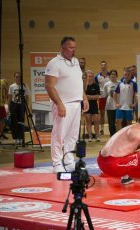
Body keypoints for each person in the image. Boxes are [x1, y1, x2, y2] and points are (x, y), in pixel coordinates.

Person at [45, 36, 89, 173]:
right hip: (63, 104)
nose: (73, 50)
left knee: (72, 135)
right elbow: (49, 86)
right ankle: (57, 163)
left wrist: (85, 98)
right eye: (71, 48)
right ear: (63, 48)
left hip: (77, 103)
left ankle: (69, 160)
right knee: (59, 134)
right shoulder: (54, 63)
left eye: (75, 47)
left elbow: (78, 82)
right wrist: (59, 104)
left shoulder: (75, 62)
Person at [8, 72, 30, 145]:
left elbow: (27, 97)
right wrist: (8, 108)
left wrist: (27, 107)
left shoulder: (25, 86)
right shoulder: (12, 86)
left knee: (21, 121)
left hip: (21, 105)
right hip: (14, 105)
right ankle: (16, 138)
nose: (18, 78)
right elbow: (10, 97)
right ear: (14, 77)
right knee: (14, 122)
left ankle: (21, 138)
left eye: (19, 77)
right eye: (16, 77)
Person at [84, 70, 101, 142]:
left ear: (93, 77)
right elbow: (83, 96)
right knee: (88, 121)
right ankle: (90, 136)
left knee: (96, 121)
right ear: (86, 77)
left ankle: (97, 135)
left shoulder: (96, 86)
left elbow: (97, 97)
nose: (89, 78)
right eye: (88, 76)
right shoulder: (84, 86)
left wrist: (87, 96)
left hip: (94, 105)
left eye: (91, 76)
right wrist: (88, 97)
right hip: (86, 106)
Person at [94, 60, 110, 135]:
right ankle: (102, 129)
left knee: (111, 113)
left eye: (104, 65)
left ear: (107, 66)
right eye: (102, 65)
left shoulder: (111, 75)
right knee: (102, 113)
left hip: (109, 97)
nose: (103, 66)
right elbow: (96, 86)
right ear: (100, 66)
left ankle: (111, 128)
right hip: (101, 97)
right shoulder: (97, 76)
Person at [103, 69, 119, 136]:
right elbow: (105, 95)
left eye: (114, 74)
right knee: (111, 122)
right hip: (109, 105)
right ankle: (112, 135)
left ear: (116, 76)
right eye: (111, 74)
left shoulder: (119, 83)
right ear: (109, 76)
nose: (113, 75)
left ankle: (118, 135)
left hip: (118, 105)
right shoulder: (106, 84)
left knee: (118, 121)